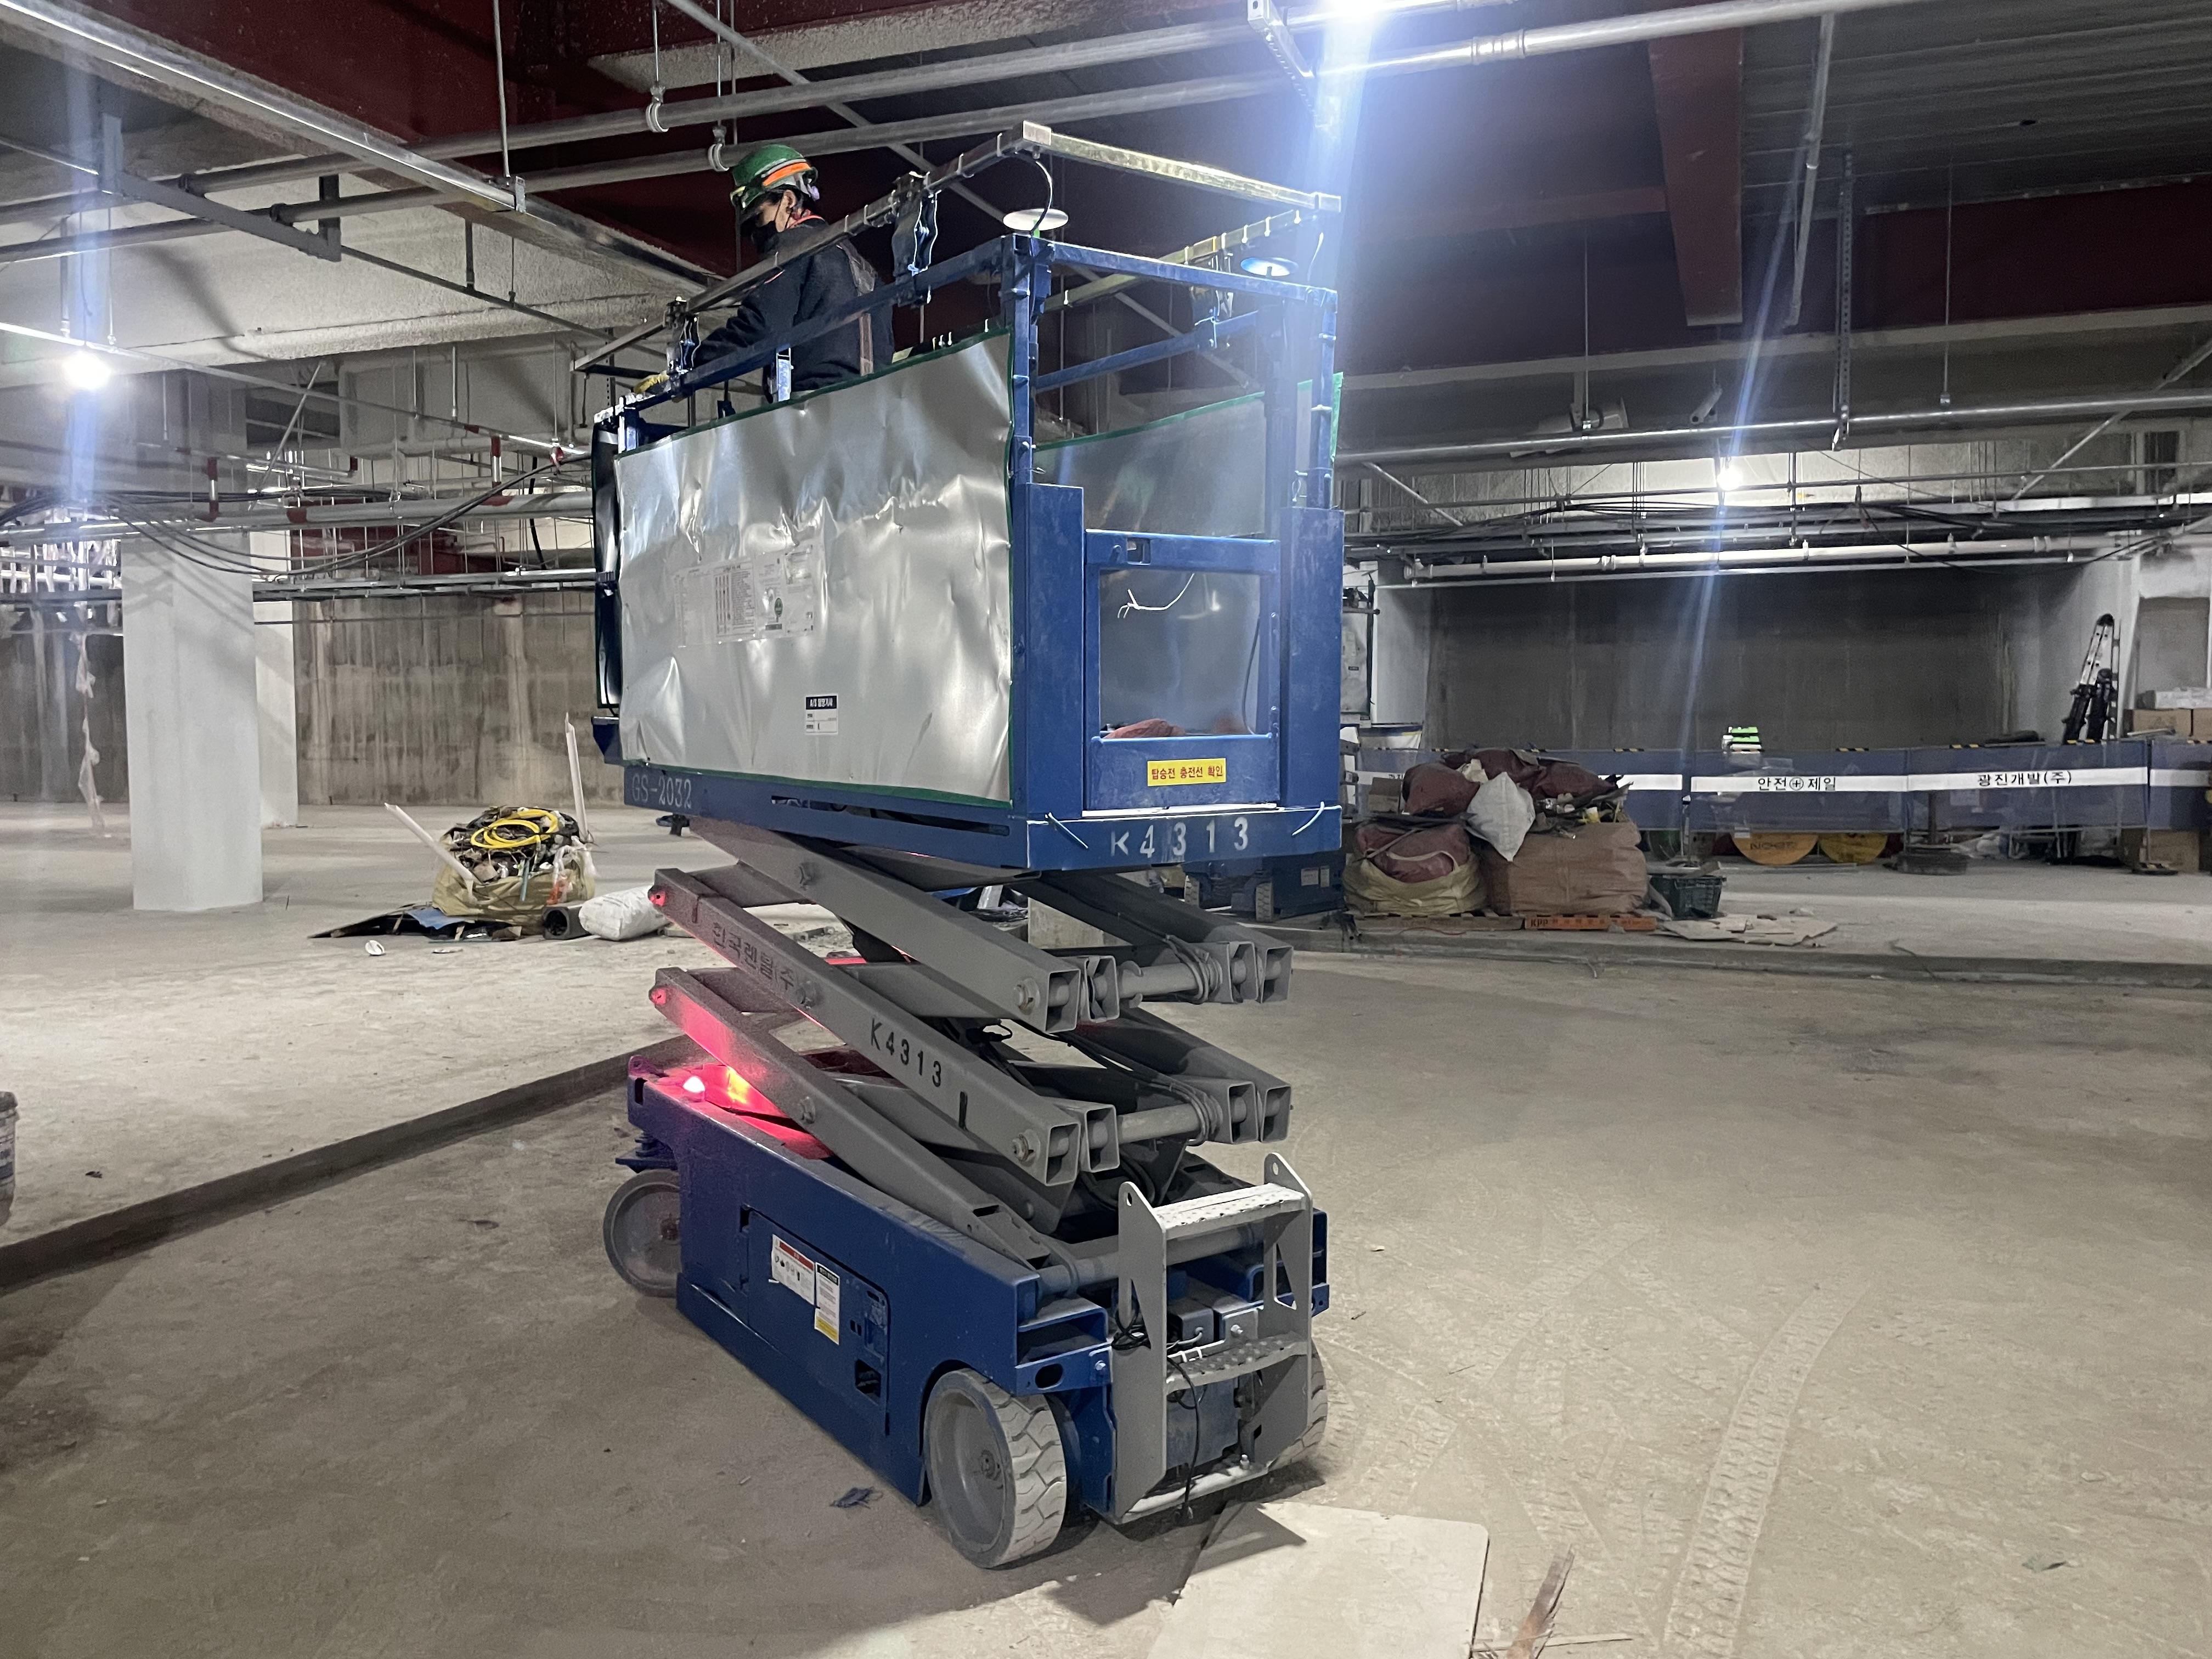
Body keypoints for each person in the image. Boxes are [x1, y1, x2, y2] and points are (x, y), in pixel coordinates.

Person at [668, 144, 894, 399]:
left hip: (817, 406)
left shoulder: (794, 248)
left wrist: (690, 368)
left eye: (759, 216)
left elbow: (760, 331)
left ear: (788, 200)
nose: (757, 232)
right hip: (875, 403)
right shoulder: (861, 265)